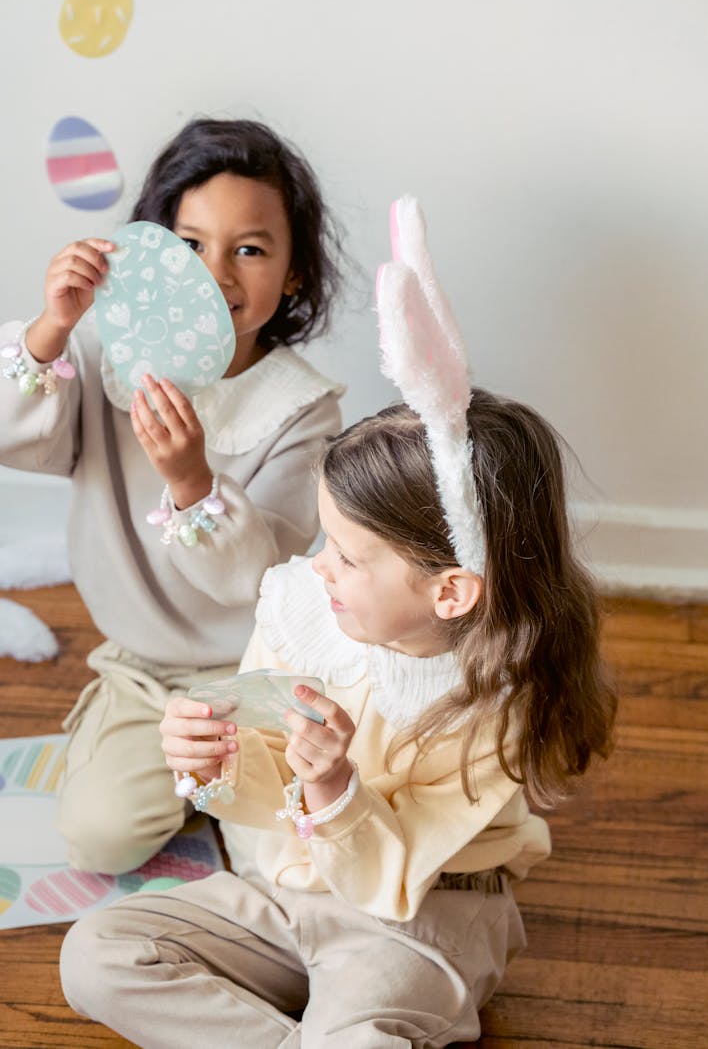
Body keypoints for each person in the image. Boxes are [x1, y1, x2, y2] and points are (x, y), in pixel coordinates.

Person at [59, 198, 617, 1047]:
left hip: (418, 921)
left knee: (362, 1017)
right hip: (286, 893)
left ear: (451, 593)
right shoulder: (302, 606)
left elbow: (393, 873)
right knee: (94, 952)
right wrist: (214, 761)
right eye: (329, 538)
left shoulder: (496, 696)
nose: (318, 564)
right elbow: (263, 780)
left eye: (351, 557)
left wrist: (335, 790)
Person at [0, 118, 346, 875]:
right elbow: (11, 432)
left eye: (249, 249)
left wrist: (193, 480)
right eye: (190, 246)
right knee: (96, 836)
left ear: (292, 273)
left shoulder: (301, 406)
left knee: (304, 854)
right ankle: (162, 761)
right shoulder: (105, 358)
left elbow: (260, 575)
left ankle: (213, 779)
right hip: (142, 672)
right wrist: (54, 327)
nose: (217, 275)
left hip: (252, 669)